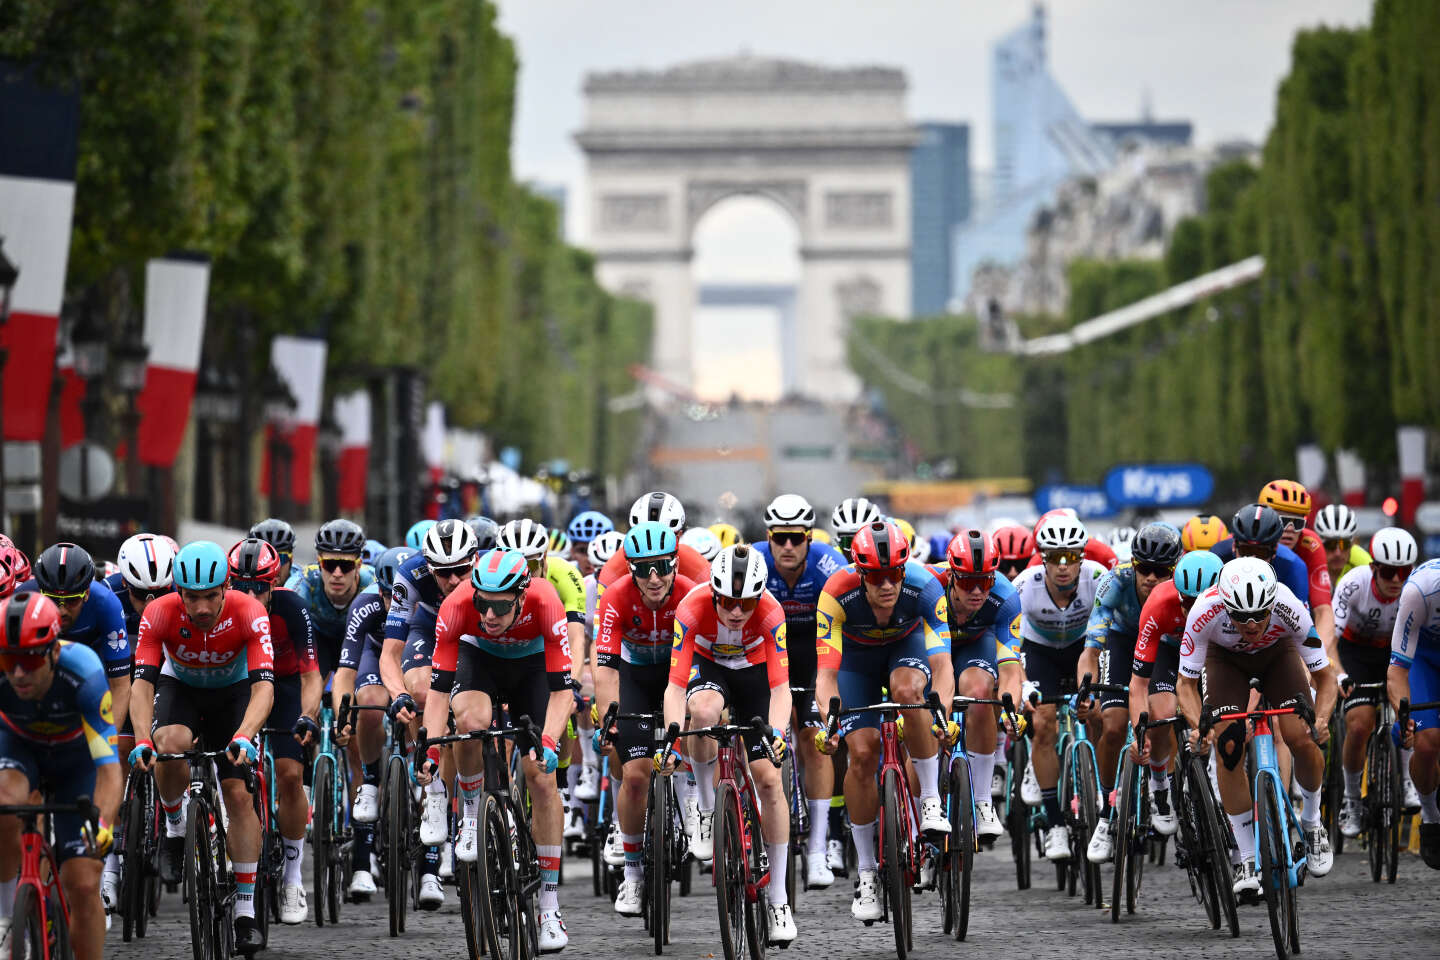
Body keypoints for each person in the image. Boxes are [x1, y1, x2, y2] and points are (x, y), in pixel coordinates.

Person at [421, 549, 574, 951]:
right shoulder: (457, 606)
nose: (489, 615)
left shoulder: (546, 602)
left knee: (541, 778)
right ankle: (471, 813)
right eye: (482, 603)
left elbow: (562, 694)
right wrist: (432, 754)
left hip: (532, 668)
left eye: (500, 607)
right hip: (480, 660)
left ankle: (549, 905)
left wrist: (547, 742)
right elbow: (438, 694)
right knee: (469, 723)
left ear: (522, 597)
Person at [129, 541, 275, 953]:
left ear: (226, 587)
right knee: (168, 744)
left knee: (237, 793)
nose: (203, 607)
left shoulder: (250, 611)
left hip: (234, 694)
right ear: (178, 592)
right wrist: (142, 738)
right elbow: (142, 685)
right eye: (192, 597)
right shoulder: (159, 613)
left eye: (212, 596)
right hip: (183, 689)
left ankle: (245, 910)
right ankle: (175, 828)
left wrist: (245, 734)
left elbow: (264, 688)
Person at [814, 520, 952, 923]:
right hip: (855, 664)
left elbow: (942, 665)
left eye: (894, 573)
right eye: (875, 575)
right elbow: (826, 676)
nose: (886, 584)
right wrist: (830, 721)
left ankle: (929, 798)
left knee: (910, 693)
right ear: (860, 572)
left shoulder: (926, 587)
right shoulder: (837, 594)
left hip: (905, 651)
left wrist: (940, 709)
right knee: (861, 753)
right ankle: (868, 873)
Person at [1177, 557, 1337, 894]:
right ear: (1225, 606)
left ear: (1272, 604)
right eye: (1239, 616)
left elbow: (1325, 677)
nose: (1250, 625)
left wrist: (1321, 720)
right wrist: (1200, 727)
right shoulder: (1204, 611)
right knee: (1229, 747)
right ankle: (1247, 856)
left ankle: (1311, 823)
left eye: (1260, 615)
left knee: (1301, 736)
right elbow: (1185, 685)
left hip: (1278, 657)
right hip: (1225, 662)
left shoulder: (1290, 606)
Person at [661, 545, 795, 943]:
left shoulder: (771, 612)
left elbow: (781, 688)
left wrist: (777, 735)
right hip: (710, 666)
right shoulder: (692, 607)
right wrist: (672, 736)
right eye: (729, 602)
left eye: (746, 603)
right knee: (701, 713)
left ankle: (778, 898)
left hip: (755, 672)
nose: (737, 612)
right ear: (714, 593)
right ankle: (704, 809)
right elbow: (675, 686)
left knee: (768, 779)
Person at [0, 592, 119, 960]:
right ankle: (5, 919)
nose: (18, 673)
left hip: (75, 762)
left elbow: (110, 769)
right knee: (5, 804)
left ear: (53, 652)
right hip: (18, 749)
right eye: (9, 660)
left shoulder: (84, 672)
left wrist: (103, 824)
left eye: (29, 661)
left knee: (83, 884)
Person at [591, 522, 696, 917]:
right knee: (634, 774)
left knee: (694, 732)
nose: (653, 578)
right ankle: (633, 875)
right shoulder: (616, 598)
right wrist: (609, 720)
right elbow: (605, 669)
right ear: (630, 570)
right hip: (633, 676)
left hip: (678, 674)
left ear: (674, 563)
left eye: (661, 567)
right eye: (642, 569)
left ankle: (692, 802)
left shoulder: (689, 593)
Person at [752, 494, 846, 888]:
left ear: (809, 538)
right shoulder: (752, 561)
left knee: (814, 739)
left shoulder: (829, 565)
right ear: (768, 538)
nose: (787, 547)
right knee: (757, 741)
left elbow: (845, 624)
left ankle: (818, 849)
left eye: (796, 538)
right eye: (780, 538)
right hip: (764, 648)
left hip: (813, 649)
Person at [227, 538, 319, 924]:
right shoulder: (220, 610)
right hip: (239, 687)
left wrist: (309, 715)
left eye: (260, 588)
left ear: (275, 582)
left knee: (290, 773)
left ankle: (294, 876)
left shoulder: (293, 608)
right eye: (241, 587)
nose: (250, 595)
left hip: (282, 688)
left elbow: (312, 675)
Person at [389, 518, 480, 905]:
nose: (455, 580)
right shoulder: (409, 575)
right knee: (423, 691)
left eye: (462, 569)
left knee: (474, 710)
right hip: (429, 627)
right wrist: (397, 695)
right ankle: (435, 787)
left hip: (475, 626)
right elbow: (390, 653)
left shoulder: (490, 571)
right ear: (429, 567)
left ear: (475, 560)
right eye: (444, 573)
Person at [1079, 523, 1183, 863]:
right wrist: (1086, 690)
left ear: (1173, 569)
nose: (1151, 577)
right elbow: (1091, 650)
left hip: (1163, 645)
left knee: (1163, 713)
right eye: (1144, 568)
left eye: (1160, 571)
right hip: (1122, 643)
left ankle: (1158, 787)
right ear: (1133, 564)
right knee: (1112, 724)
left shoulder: (1182, 586)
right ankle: (1106, 813)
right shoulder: (1114, 582)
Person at [1013, 514, 1108, 861]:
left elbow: (1103, 640)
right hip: (1041, 654)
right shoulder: (1025, 585)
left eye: (1071, 555)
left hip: (1084, 648)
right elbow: (1011, 648)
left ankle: (1101, 786)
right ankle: (1055, 825)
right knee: (1043, 723)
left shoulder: (1097, 580)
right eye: (1055, 557)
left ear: (1082, 555)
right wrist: (1022, 686)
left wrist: (1096, 688)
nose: (1064, 565)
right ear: (1042, 558)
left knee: (1100, 711)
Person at [930, 529, 1026, 837]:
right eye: (968, 581)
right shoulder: (931, 588)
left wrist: (1012, 709)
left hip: (975, 646)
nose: (977, 591)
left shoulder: (1006, 596)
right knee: (924, 715)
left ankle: (983, 801)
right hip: (932, 646)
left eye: (985, 581)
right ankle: (923, 806)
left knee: (983, 694)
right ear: (951, 575)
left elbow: (1010, 669)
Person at [333, 546, 412, 898]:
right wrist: (342, 716)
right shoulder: (364, 605)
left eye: (397, 596)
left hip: (415, 655)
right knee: (368, 704)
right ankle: (370, 781)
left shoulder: (425, 599)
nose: (390, 602)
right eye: (385, 595)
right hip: (376, 655)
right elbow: (346, 672)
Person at [1128, 550, 1224, 835]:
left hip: (1212, 653)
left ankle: (1219, 778)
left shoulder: (1230, 605)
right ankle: (1160, 786)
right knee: (1163, 714)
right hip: (1170, 655)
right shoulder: (1159, 602)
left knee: (1224, 716)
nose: (1191, 609)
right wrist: (1139, 734)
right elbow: (1138, 685)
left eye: (1200, 602)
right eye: (1186, 601)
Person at [1334, 528, 1421, 836]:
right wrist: (1340, 675)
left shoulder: (1415, 588)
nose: (1396, 579)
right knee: (1359, 725)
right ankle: (1352, 800)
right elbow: (1330, 641)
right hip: (1355, 651)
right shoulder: (1353, 583)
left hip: (1394, 650)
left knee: (1409, 713)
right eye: (1388, 571)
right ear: (1373, 568)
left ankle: (1409, 782)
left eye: (1403, 571)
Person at [23, 544, 131, 738]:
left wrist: (107, 745)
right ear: (40, 592)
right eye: (53, 600)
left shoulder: (107, 604)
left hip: (92, 666)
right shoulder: (23, 598)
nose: (62, 611)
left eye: (72, 600)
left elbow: (121, 686)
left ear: (87, 593)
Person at [1389, 554, 1440, 868]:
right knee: (1427, 739)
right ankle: (1431, 816)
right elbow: (1396, 672)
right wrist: (1404, 717)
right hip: (1420, 658)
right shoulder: (1419, 591)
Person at [286, 519, 375, 675]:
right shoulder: (305, 581)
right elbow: (285, 604)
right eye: (329, 564)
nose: (337, 573)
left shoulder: (373, 584)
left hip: (358, 640)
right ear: (319, 563)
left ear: (359, 565)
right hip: (319, 638)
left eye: (346, 565)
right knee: (310, 681)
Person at [597, 492, 711, 590]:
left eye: (662, 541)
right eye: (644, 539)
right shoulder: (613, 568)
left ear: (679, 536)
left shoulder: (697, 565)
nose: (652, 548)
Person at [1314, 503, 1372, 586]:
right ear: (1319, 543)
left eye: (1344, 544)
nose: (1337, 553)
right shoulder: (1309, 560)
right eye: (1330, 545)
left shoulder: (1364, 565)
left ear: (1353, 543)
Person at [249, 518, 298, 586]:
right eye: (265, 559)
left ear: (291, 559)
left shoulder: (305, 582)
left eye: (281, 558)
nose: (274, 567)